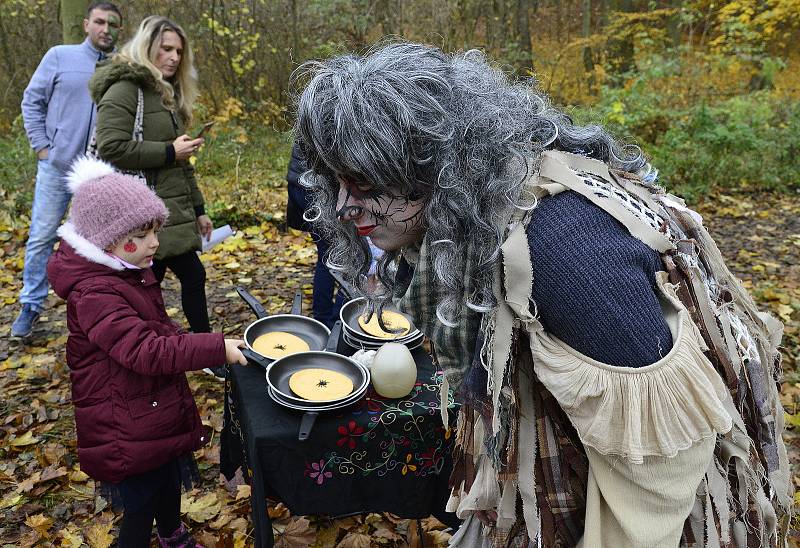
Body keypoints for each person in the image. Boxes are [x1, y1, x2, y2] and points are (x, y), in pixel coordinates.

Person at [293, 42, 792, 547]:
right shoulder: (473, 215)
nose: (342, 207)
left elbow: (661, 463)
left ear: (438, 168)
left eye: (363, 183)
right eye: (335, 182)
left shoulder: (564, 246)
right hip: (552, 480)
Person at [47, 157, 247, 547]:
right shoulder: (95, 293)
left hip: (148, 409)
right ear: (106, 240)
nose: (155, 242)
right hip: (124, 421)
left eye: (155, 230)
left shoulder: (126, 273)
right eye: (140, 235)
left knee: (169, 481)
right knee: (141, 502)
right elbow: (143, 350)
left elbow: (154, 330)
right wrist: (213, 348)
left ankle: (171, 530)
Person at [88, 16, 225, 377]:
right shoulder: (124, 88)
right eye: (166, 48)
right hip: (140, 212)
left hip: (170, 212)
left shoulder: (165, 94)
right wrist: (168, 151)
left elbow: (181, 163)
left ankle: (196, 352)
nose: (174, 57)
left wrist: (199, 209)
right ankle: (150, 353)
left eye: (179, 51)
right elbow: (111, 146)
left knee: (187, 278)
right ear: (146, 46)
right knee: (146, 289)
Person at [11, 2, 122, 338]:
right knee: (42, 236)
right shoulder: (60, 55)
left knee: (101, 242)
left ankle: (98, 309)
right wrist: (43, 147)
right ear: (87, 24)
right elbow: (32, 100)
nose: (106, 29)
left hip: (102, 173)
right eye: (100, 22)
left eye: (112, 24)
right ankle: (30, 306)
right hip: (57, 168)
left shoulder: (123, 65)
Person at [286, 142, 347, 327]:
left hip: (302, 182)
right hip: (317, 186)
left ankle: (326, 320)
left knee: (327, 255)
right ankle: (337, 323)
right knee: (348, 254)